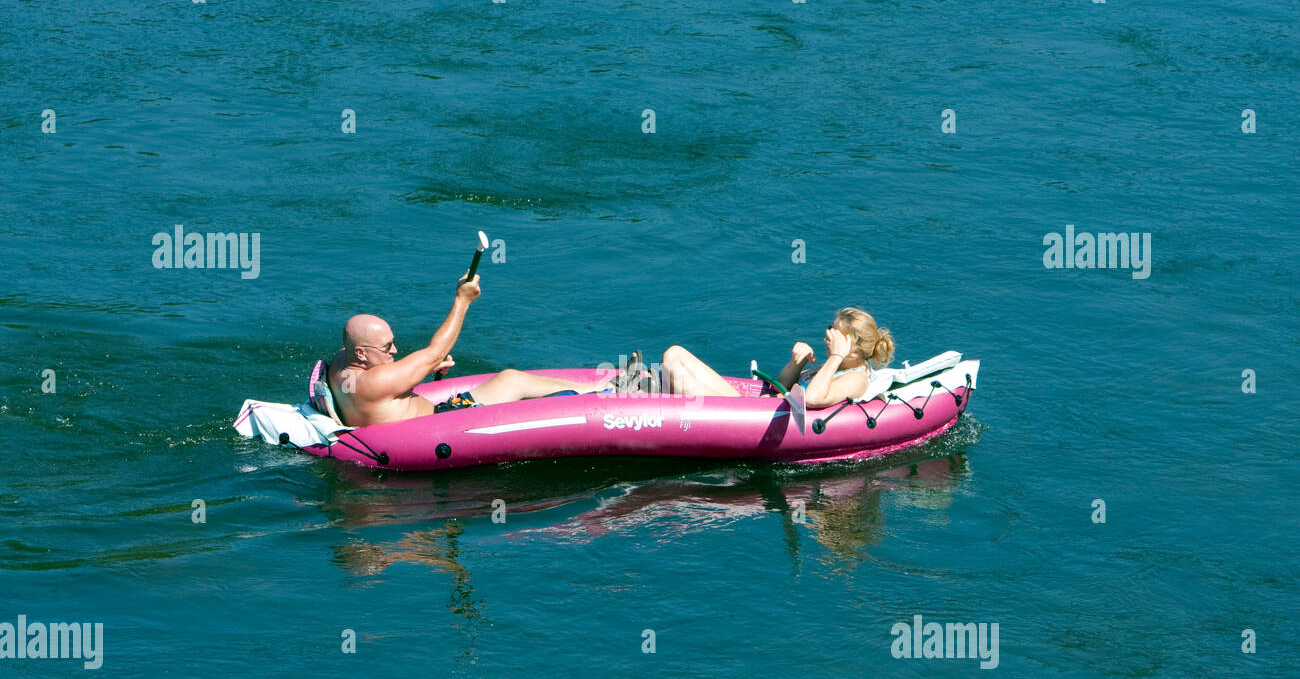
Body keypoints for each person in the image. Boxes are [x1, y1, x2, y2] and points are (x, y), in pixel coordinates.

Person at [328, 272, 616, 427]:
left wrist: (428, 368)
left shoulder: (341, 365)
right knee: (515, 385)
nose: (395, 349)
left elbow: (398, 380)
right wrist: (462, 300)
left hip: (435, 415)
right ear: (361, 353)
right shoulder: (374, 381)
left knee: (510, 378)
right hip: (445, 424)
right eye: (387, 346)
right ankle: (605, 396)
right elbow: (435, 352)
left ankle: (597, 388)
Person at [651, 308, 895, 409]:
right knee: (674, 354)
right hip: (757, 406)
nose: (827, 334)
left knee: (681, 381)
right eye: (828, 327)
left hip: (754, 417)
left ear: (853, 347)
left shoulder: (855, 378)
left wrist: (835, 356)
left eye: (835, 332)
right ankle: (660, 391)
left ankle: (655, 401)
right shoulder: (838, 364)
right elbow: (783, 385)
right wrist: (797, 362)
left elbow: (810, 398)